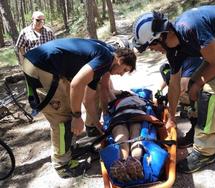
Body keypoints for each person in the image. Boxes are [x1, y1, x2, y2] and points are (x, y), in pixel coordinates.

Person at [132, 5, 215, 173]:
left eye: (150, 46)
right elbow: (174, 85)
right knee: (188, 87)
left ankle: (205, 152)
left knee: (210, 92)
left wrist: (198, 84)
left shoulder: (190, 28)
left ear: (159, 38)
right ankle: (196, 132)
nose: (152, 50)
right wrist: (171, 118)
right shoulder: (173, 49)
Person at [22, 38, 136, 178]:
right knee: (62, 118)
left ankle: (70, 147)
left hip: (39, 63)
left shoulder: (102, 65)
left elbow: (88, 100)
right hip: (40, 65)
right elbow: (76, 84)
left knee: (69, 108)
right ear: (120, 60)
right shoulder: (105, 58)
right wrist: (77, 117)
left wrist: (97, 124)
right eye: (124, 70)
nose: (122, 74)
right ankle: (63, 165)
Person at [155, 58, 202, 148]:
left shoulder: (189, 60)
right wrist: (159, 90)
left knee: (191, 106)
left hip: (196, 86)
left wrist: (171, 117)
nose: (154, 50)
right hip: (186, 80)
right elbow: (170, 77)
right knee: (164, 69)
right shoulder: (174, 58)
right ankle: (186, 109)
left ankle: (193, 136)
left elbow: (181, 89)